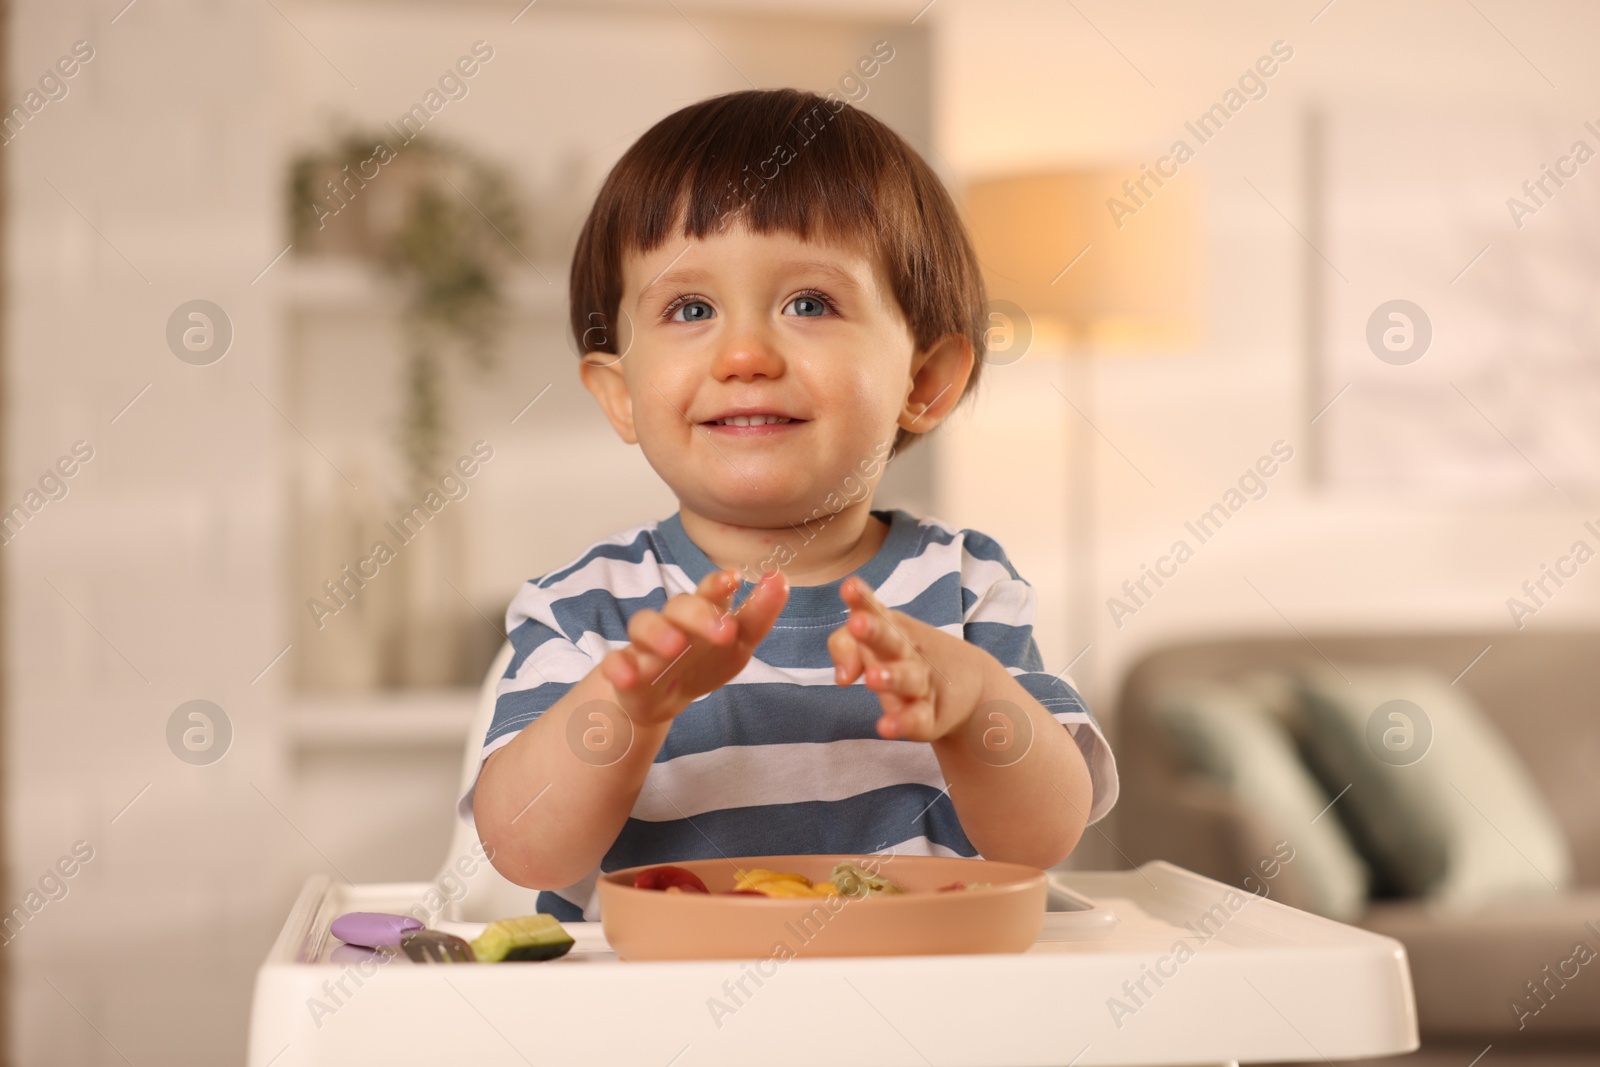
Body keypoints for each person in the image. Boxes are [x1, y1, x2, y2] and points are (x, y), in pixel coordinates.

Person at [460, 86, 1117, 920]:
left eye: (809, 303)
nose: (743, 353)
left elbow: (1045, 837)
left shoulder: (961, 584)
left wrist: (972, 700)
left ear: (924, 381)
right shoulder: (585, 606)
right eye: (689, 307)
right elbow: (523, 850)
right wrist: (631, 705)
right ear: (619, 394)